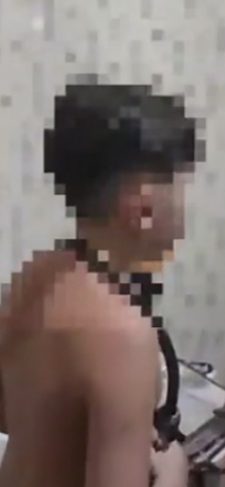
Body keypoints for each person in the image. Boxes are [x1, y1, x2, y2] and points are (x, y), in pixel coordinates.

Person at [0, 81, 200, 486]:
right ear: (143, 208)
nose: (184, 207)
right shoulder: (124, 336)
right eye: (180, 189)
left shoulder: (34, 276)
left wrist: (110, 428)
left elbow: (16, 415)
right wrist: (174, 470)